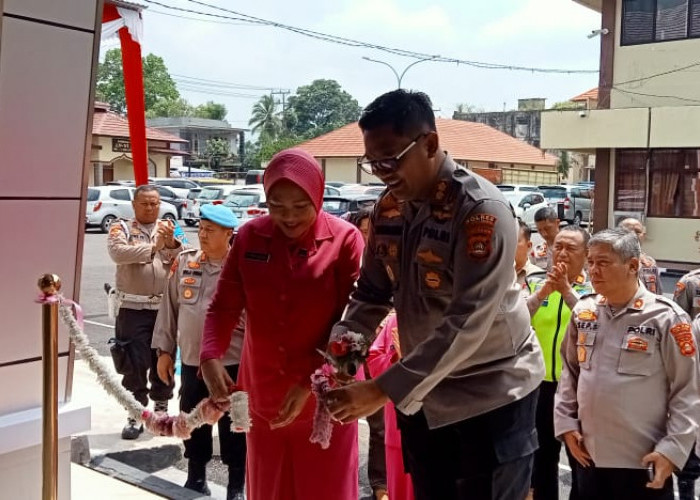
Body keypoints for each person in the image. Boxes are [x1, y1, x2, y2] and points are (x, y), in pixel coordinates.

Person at [324, 89, 545, 500]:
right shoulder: (388, 210)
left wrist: (381, 389)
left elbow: (467, 321)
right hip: (422, 395)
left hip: (492, 394)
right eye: (372, 163)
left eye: (390, 159)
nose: (382, 172)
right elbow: (371, 292)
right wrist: (344, 354)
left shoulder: (480, 211)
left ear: (429, 143)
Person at [199, 148, 364, 500]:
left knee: (326, 490)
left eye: (300, 206)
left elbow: (354, 323)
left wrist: (312, 380)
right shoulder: (249, 237)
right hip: (261, 398)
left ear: (318, 197)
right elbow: (223, 307)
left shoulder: (346, 239)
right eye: (277, 205)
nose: (288, 217)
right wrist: (210, 354)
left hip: (328, 401)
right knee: (269, 489)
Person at [554, 229, 700, 500]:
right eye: (591, 262)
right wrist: (565, 424)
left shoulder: (666, 318)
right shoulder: (584, 311)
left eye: (603, 262)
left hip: (642, 461)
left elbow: (688, 391)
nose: (593, 270)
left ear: (633, 266)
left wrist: (673, 449)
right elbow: (569, 373)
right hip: (588, 456)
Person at [152, 204, 246, 499]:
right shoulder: (185, 262)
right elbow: (169, 308)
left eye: (211, 230)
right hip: (192, 361)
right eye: (201, 229)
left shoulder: (242, 269)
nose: (202, 235)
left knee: (235, 429)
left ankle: (236, 487)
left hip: (231, 364)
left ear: (229, 234)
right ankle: (196, 478)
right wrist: (164, 351)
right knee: (191, 422)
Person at [107, 184, 184, 439]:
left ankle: (161, 410)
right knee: (134, 362)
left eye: (155, 203)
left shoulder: (171, 226)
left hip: (163, 307)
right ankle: (135, 413)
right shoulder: (122, 228)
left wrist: (170, 242)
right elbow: (118, 253)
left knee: (164, 358)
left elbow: (186, 256)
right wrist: (153, 247)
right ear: (134, 205)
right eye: (145, 203)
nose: (151, 208)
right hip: (133, 307)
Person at [526, 226, 593, 500]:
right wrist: (545, 291)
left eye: (571, 248)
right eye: (558, 247)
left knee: (582, 461)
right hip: (538, 386)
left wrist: (565, 290)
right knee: (541, 460)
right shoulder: (535, 282)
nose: (562, 253)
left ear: (587, 255)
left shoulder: (592, 290)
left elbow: (591, 323)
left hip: (577, 390)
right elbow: (518, 318)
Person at [349, 206, 389, 500]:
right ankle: (381, 486)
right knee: (378, 425)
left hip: (396, 355)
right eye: (364, 231)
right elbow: (359, 311)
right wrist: (341, 364)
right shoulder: (351, 264)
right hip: (367, 354)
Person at [367, 312, 414, 500]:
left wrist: (413, 360)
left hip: (431, 426)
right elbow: (374, 358)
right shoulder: (395, 320)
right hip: (395, 430)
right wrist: (395, 360)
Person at [618, 218, 663, 295]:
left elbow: (658, 294)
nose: (633, 235)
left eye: (637, 232)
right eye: (628, 232)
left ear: (643, 236)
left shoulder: (650, 263)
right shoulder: (611, 261)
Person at [516, 219, 545, 288]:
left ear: (528, 246)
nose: (507, 246)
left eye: (514, 241)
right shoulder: (491, 275)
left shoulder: (540, 278)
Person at [531, 207, 560, 272]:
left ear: (557, 223)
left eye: (547, 229)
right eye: (539, 230)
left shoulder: (571, 247)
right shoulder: (537, 251)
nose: (544, 234)